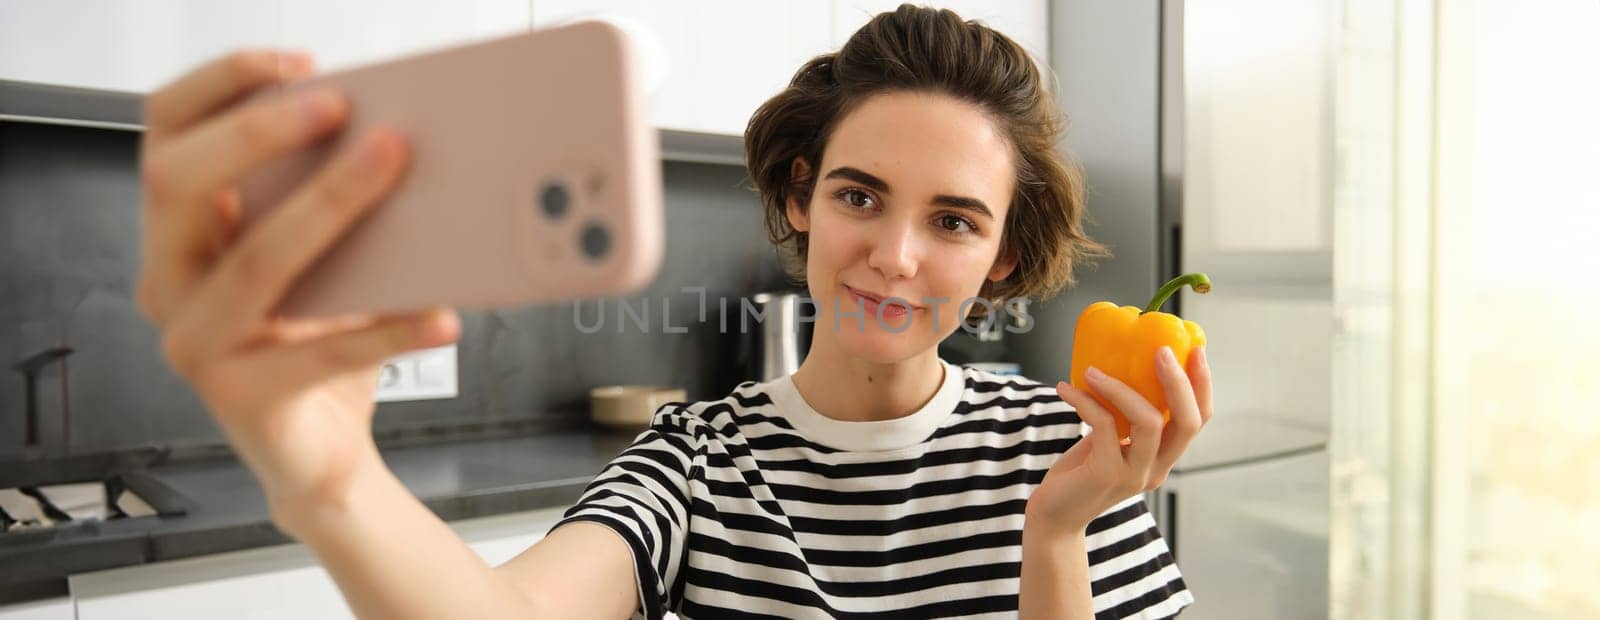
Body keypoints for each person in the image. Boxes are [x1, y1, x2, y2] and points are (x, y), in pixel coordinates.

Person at [136, 5, 1212, 618]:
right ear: (800, 196)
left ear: (1003, 255)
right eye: (857, 196)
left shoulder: (1064, 456)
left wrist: (1056, 534)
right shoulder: (695, 462)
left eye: (953, 220)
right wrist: (328, 478)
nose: (892, 256)